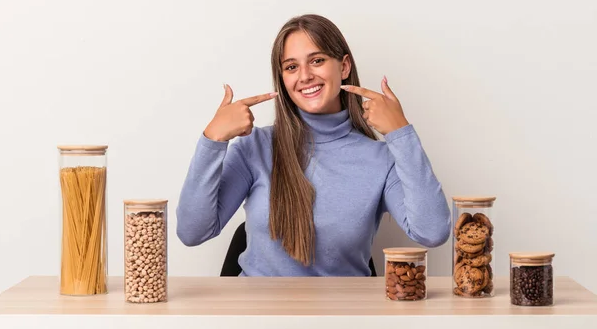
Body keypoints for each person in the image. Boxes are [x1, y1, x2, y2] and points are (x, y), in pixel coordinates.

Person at [176, 14, 451, 276]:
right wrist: (213, 139)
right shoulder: (255, 147)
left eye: (317, 60)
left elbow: (432, 231)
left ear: (343, 67)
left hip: (342, 314)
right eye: (291, 67)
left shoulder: (381, 159)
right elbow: (193, 232)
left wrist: (401, 133)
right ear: (283, 79)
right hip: (258, 313)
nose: (305, 75)